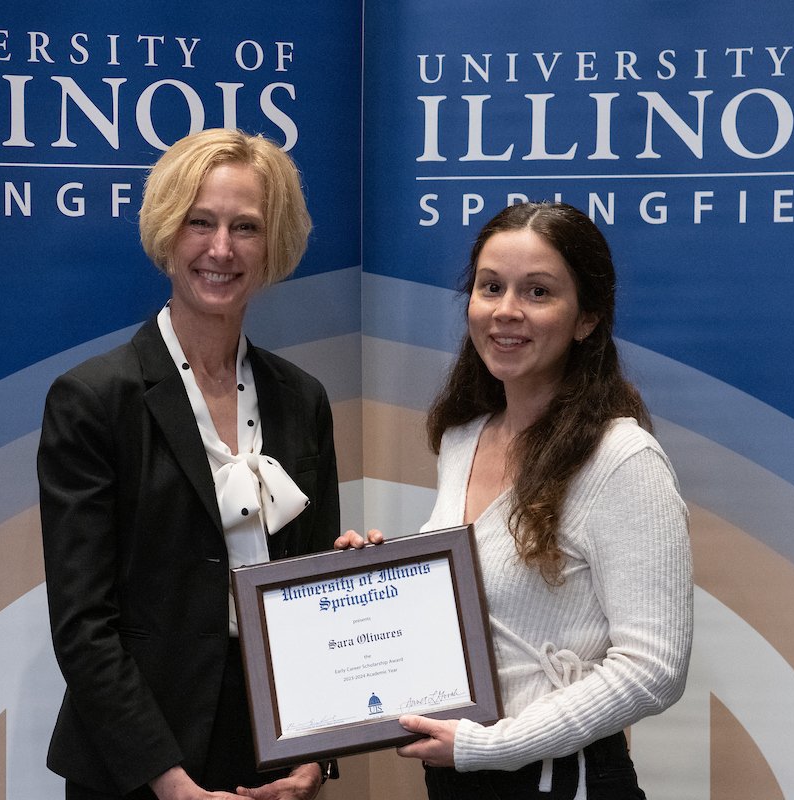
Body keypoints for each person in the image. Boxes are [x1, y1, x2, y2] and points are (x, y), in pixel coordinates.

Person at [38, 128, 339, 800]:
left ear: (274, 243)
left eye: (246, 227)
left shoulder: (302, 399)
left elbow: (316, 592)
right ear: (168, 233)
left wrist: (316, 756)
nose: (221, 249)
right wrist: (168, 782)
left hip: (270, 754)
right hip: (134, 761)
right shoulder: (92, 400)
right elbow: (84, 626)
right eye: (199, 222)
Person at [392, 202, 693, 799]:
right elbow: (487, 608)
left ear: (587, 318)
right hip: (459, 778)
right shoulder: (462, 439)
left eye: (538, 292)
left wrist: (493, 746)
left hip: (561, 781)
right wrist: (374, 580)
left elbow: (656, 667)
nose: (506, 311)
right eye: (490, 287)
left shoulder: (621, 457)